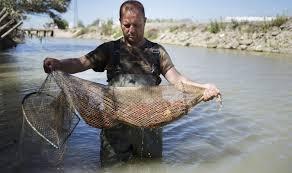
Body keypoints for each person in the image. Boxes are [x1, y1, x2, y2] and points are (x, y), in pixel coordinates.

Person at [43, 0, 220, 167]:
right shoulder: (109, 49)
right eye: (126, 25)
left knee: (151, 167)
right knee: (112, 167)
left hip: (150, 125)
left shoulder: (157, 52)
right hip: (114, 127)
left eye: (137, 25)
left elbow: (178, 80)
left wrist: (202, 88)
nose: (131, 30)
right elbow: (80, 63)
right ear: (120, 22)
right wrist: (59, 64)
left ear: (145, 21)